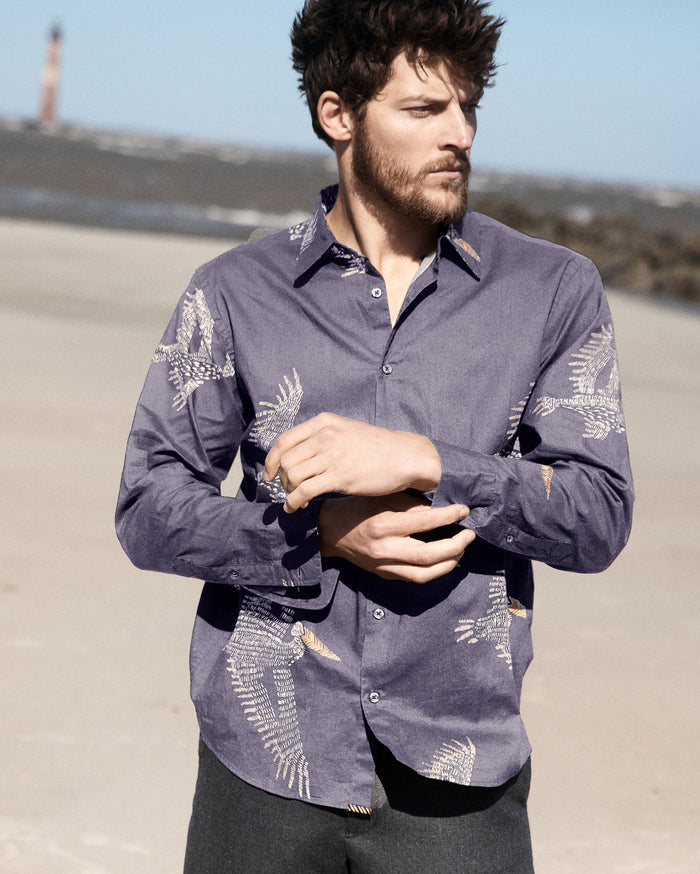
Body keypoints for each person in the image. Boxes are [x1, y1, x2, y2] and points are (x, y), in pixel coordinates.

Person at [116, 1, 634, 871]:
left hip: (459, 774)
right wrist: (319, 537)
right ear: (339, 115)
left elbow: (597, 515)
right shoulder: (235, 291)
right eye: (427, 110)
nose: (460, 134)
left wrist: (431, 461)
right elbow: (149, 507)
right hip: (266, 762)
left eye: (468, 107)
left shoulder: (553, 291)